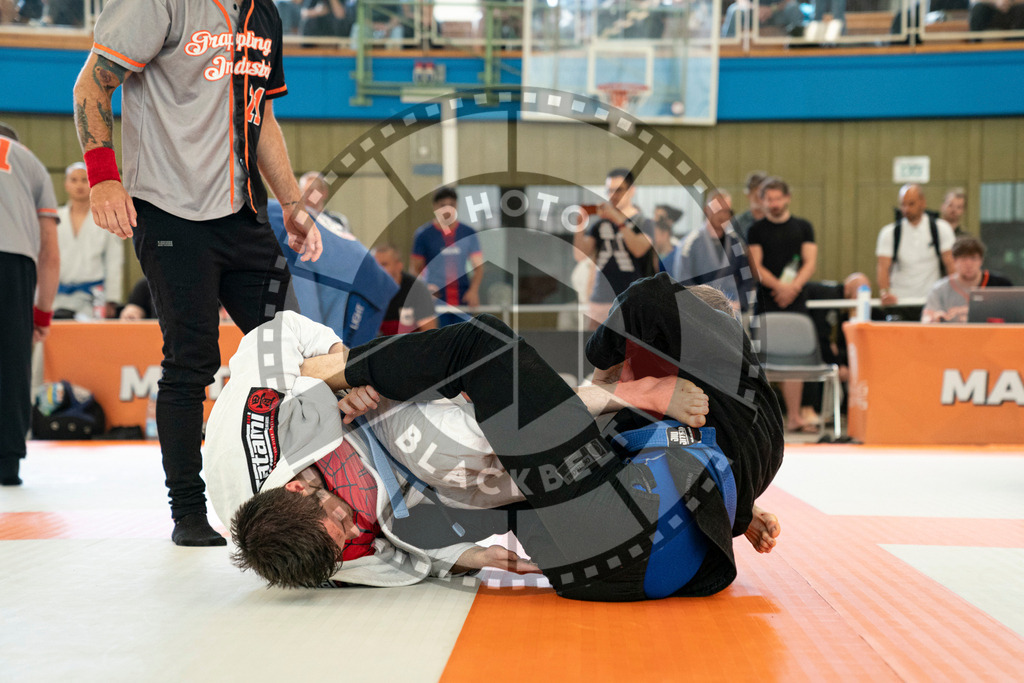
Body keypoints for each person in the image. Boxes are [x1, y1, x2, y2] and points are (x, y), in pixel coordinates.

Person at [212, 275, 785, 599]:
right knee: (482, 351)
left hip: (578, 539)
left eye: (334, 517)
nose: (349, 523)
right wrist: (462, 560)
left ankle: (639, 410)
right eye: (343, 536)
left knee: (517, 435)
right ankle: (639, 405)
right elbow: (388, 553)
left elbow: (275, 337)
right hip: (463, 474)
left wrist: (334, 367)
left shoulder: (247, 439)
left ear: (292, 490)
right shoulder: (320, 557)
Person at [72, 0, 323, 546]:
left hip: (242, 215)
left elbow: (265, 120)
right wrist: (102, 177)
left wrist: (292, 205)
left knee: (296, 354)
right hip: (169, 211)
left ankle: (302, 496)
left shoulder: (265, 15)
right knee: (191, 362)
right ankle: (188, 512)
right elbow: (91, 86)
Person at [0, 123, 60, 486]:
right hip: (12, 264)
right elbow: (49, 252)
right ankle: (7, 462)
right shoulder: (30, 162)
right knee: (11, 363)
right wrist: (42, 315)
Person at [747, 177, 818, 433]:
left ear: (787, 198)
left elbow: (809, 262)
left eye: (778, 198)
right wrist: (779, 286)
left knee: (795, 359)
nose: (774, 204)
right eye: (769, 199)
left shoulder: (803, 227)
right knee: (762, 358)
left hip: (795, 299)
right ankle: (761, 419)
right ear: (762, 200)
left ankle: (795, 416)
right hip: (769, 299)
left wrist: (793, 288)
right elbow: (756, 265)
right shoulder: (756, 230)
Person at [573, 168, 657, 328]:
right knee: (594, 348)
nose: (613, 195)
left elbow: (638, 249)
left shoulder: (645, 223)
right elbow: (579, 255)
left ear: (632, 190)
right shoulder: (600, 224)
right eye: (610, 190)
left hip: (633, 298)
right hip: (601, 299)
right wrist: (579, 225)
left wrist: (618, 219)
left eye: (619, 190)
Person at [53, 162, 124, 320]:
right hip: (57, 295)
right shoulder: (55, 218)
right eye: (74, 180)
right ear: (66, 184)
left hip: (93, 296)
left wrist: (112, 299)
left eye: (84, 180)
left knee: (90, 341)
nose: (79, 185)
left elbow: (113, 261)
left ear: (92, 184)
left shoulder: (105, 219)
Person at [876, 184, 956, 315]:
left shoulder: (941, 229)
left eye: (911, 204)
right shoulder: (889, 233)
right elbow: (883, 267)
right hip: (899, 302)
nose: (906, 209)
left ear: (923, 202)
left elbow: (951, 264)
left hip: (931, 303)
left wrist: (953, 294)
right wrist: (885, 293)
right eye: (903, 204)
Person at [410, 186, 484, 327]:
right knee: (440, 342)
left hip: (463, 299)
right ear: (435, 207)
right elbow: (414, 269)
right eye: (443, 205)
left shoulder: (468, 233)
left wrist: (473, 290)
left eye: (451, 205)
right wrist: (424, 291)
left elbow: (479, 267)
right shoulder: (424, 234)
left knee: (463, 343)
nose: (447, 210)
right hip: (435, 300)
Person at [671, 190, 751, 313]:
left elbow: (746, 276)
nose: (722, 216)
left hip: (732, 308)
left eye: (726, 211)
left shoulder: (736, 242)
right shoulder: (690, 243)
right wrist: (704, 303)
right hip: (700, 309)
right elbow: (683, 279)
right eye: (717, 210)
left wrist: (740, 302)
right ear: (706, 210)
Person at [922, 236, 1013, 323]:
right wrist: (935, 318)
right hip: (953, 336)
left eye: (973, 258)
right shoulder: (939, 289)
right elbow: (926, 319)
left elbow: (1012, 316)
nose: (968, 264)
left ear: (981, 260)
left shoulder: (1001, 284)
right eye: (963, 259)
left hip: (992, 336)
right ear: (954, 261)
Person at [372, 244, 438, 335]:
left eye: (384, 264)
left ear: (398, 266)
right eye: (375, 265)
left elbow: (430, 332)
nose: (378, 270)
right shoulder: (367, 290)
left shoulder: (417, 289)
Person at [732, 170, 767, 242]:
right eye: (755, 195)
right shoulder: (738, 222)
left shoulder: (775, 220)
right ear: (748, 194)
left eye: (762, 194)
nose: (759, 199)